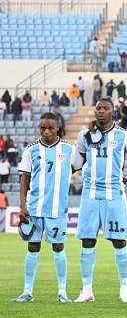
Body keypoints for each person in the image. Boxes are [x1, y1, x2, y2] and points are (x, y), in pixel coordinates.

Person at [71, 98, 127, 303]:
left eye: (105, 108)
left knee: (119, 241)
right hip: (90, 193)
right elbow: (75, 163)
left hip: (114, 193)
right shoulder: (84, 135)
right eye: (98, 108)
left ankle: (124, 289)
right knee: (87, 241)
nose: (101, 111)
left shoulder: (123, 136)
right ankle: (86, 289)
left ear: (113, 112)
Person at [13, 113, 75, 303]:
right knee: (33, 247)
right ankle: (27, 292)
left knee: (58, 246)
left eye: (50, 128)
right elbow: (24, 178)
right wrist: (22, 205)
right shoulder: (30, 150)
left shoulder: (69, 150)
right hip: (34, 208)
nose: (46, 131)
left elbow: (88, 167)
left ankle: (62, 292)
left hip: (57, 208)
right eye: (42, 128)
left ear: (58, 128)